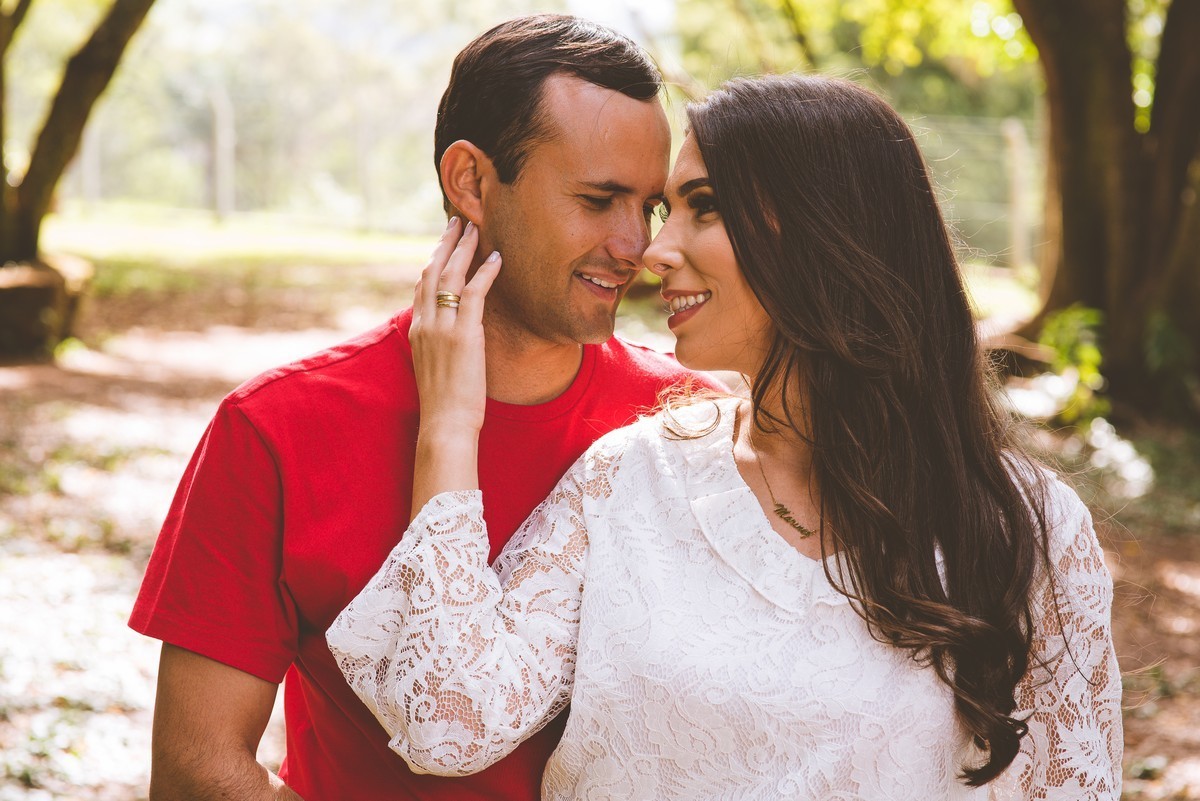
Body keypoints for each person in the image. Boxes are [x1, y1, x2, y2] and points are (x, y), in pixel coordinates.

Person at [327, 74, 1124, 800]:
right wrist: (452, 423)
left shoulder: (1024, 529)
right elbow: (449, 721)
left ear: (827, 230)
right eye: (666, 210)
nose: (653, 249)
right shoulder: (628, 481)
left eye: (702, 206)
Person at [128, 14, 709, 801]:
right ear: (470, 181)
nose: (634, 244)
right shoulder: (275, 428)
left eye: (648, 207)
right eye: (598, 198)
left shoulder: (688, 422)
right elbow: (198, 766)